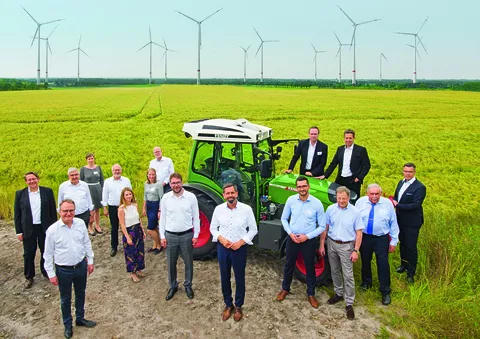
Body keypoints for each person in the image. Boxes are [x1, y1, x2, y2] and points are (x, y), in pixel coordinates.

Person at [43, 199, 96, 339]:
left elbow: (86, 242)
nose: (68, 213)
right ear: (59, 211)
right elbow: (47, 254)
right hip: (63, 270)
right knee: (65, 298)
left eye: (71, 210)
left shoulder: (79, 224)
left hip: (80, 266)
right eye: (65, 211)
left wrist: (90, 261)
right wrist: (51, 274)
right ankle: (67, 324)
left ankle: (80, 318)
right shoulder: (52, 230)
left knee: (80, 293)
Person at [210, 183, 258, 322]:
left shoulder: (246, 210)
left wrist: (241, 242)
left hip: (239, 249)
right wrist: (221, 239)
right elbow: (213, 228)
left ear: (236, 194)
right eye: (227, 193)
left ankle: (238, 306)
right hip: (223, 248)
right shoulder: (218, 209)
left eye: (232, 193)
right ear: (223, 195)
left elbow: (253, 229)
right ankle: (228, 304)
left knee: (239, 277)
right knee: (224, 276)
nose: (230, 195)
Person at [276, 176, 326, 309]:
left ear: (308, 186)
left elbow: (322, 226)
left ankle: (311, 294)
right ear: (296, 188)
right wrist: (290, 233)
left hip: (308, 241)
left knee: (310, 267)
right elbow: (284, 218)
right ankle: (285, 289)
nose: (302, 189)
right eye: (299, 186)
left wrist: (307, 236)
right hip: (292, 239)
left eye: (304, 186)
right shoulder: (291, 200)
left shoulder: (317, 203)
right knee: (288, 265)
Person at [320, 186, 364, 319]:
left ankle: (349, 303)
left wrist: (356, 250)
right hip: (332, 243)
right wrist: (322, 244)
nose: (341, 201)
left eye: (343, 198)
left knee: (348, 275)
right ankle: (338, 294)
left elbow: (359, 233)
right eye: (339, 198)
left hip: (347, 246)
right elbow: (325, 228)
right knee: (334, 271)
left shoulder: (355, 212)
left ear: (348, 198)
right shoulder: (331, 209)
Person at [356, 184, 399, 305]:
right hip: (365, 237)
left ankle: (385, 290)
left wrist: (394, 241)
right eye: (372, 194)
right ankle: (366, 283)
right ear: (367, 193)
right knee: (365, 260)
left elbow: (393, 222)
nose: (374, 197)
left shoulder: (387, 204)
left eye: (377, 194)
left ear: (381, 193)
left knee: (383, 263)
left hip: (381, 238)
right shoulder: (360, 202)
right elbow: (355, 219)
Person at [159, 172, 200, 301]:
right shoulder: (165, 198)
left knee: (188, 262)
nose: (176, 185)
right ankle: (173, 286)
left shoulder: (191, 197)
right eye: (173, 183)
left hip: (187, 235)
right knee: (171, 263)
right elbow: (163, 218)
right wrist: (162, 236)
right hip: (170, 235)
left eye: (178, 182)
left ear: (181, 182)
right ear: (170, 184)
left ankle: (188, 285)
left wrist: (196, 234)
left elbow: (196, 217)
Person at [14, 171, 57, 289]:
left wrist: (54, 228)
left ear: (38, 179)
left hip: (44, 228)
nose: (32, 181)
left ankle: (46, 271)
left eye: (34, 179)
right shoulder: (20, 194)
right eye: (29, 180)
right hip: (28, 228)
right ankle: (29, 276)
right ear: (26, 181)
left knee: (46, 250)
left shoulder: (47, 192)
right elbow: (17, 215)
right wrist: (19, 232)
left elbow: (52, 211)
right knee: (28, 253)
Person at [393, 163, 427, 284]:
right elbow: (396, 197)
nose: (407, 173)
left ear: (414, 172)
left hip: (412, 222)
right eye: (405, 171)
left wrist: (398, 205)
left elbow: (415, 205)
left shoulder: (419, 187)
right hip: (400, 219)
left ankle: (411, 273)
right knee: (403, 243)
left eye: (410, 172)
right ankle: (403, 264)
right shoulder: (401, 183)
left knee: (411, 246)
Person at [321, 129, 371, 202]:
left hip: (353, 180)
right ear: (344, 138)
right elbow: (333, 163)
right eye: (346, 138)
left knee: (353, 201)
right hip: (340, 179)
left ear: (354, 138)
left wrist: (359, 178)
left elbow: (367, 165)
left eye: (350, 138)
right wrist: (325, 175)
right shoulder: (340, 149)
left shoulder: (361, 150)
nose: (348, 140)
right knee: (338, 199)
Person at [102, 164, 132, 257]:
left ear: (121, 170)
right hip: (113, 207)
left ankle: (128, 244)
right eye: (115, 170)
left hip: (124, 207)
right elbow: (105, 195)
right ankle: (114, 247)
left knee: (127, 226)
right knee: (114, 227)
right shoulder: (107, 181)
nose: (117, 171)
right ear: (112, 171)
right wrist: (104, 207)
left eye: (118, 170)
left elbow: (130, 193)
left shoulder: (126, 180)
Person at [118, 187, 146, 283]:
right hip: (129, 231)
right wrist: (127, 237)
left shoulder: (135, 205)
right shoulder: (121, 209)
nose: (129, 196)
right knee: (131, 252)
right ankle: (132, 272)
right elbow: (122, 224)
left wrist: (142, 230)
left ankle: (139, 268)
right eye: (126, 195)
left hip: (137, 229)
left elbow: (138, 219)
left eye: (130, 194)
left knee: (139, 251)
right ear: (123, 196)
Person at [80, 153, 105, 236]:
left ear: (94, 159)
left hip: (97, 189)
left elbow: (102, 179)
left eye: (92, 158)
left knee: (97, 209)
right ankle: (90, 227)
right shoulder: (83, 169)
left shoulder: (98, 168)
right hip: (88, 189)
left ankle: (97, 225)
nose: (91, 160)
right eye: (89, 159)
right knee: (91, 210)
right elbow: (81, 181)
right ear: (86, 160)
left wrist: (102, 189)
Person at [142, 168, 163, 254]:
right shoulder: (146, 184)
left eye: (153, 174)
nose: (151, 176)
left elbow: (162, 197)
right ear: (147, 175)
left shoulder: (158, 185)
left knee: (150, 229)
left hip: (155, 205)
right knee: (154, 227)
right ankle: (155, 245)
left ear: (155, 175)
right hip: (149, 206)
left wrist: (160, 210)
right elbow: (145, 196)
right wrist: (143, 208)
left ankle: (160, 244)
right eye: (149, 174)